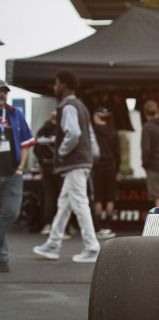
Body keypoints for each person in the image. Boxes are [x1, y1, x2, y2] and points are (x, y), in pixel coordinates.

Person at [33, 69, 100, 264]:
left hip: (75, 162)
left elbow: (73, 133)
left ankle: (92, 247)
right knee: (65, 203)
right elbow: (88, 135)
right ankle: (53, 244)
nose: (54, 87)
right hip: (82, 161)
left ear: (63, 85)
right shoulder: (81, 106)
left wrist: (61, 152)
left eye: (56, 83)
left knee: (79, 203)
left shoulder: (68, 106)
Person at [0, 80, 35, 272]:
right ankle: (2, 258)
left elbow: (26, 143)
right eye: (0, 91)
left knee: (11, 213)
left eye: (5, 92)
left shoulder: (15, 114)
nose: (2, 94)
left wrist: (21, 168)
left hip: (13, 174)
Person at [91, 106, 120, 238]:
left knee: (97, 197)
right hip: (110, 168)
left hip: (97, 168)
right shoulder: (113, 132)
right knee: (110, 197)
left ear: (97, 116)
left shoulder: (92, 132)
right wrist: (117, 169)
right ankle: (108, 225)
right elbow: (118, 153)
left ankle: (98, 226)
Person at [33, 110, 59, 235]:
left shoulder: (42, 131)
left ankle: (48, 223)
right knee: (61, 197)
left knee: (48, 196)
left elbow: (35, 149)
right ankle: (63, 226)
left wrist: (42, 162)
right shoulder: (61, 131)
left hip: (46, 168)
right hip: (58, 168)